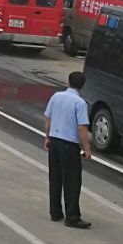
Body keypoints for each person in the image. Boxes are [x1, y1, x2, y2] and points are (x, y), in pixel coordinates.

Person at [43, 72, 92, 228]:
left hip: (54, 142)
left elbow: (48, 118)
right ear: (83, 85)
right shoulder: (80, 103)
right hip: (69, 145)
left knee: (55, 178)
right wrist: (87, 149)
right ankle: (72, 217)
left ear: (68, 82)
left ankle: (55, 212)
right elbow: (82, 128)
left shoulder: (56, 96)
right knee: (71, 181)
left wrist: (47, 137)